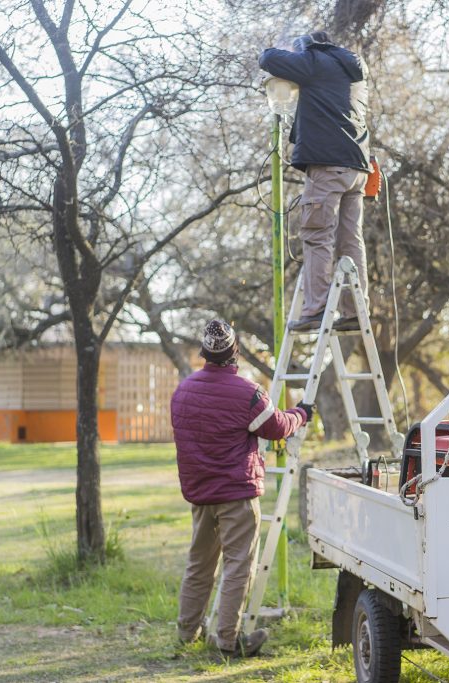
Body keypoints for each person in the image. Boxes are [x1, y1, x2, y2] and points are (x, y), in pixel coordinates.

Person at [171, 319, 313, 657]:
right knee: (238, 566)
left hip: (200, 494)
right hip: (236, 493)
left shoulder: (183, 392)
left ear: (204, 354)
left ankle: (186, 633)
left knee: (199, 564)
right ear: (235, 353)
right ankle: (228, 640)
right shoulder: (247, 392)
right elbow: (277, 428)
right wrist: (302, 414)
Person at [259, 31, 371, 332]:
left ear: (309, 48)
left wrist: (292, 51)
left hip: (327, 164)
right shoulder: (353, 70)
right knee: (351, 241)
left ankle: (316, 310)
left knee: (317, 234)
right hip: (356, 168)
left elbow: (268, 58)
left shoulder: (314, 61)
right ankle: (355, 313)